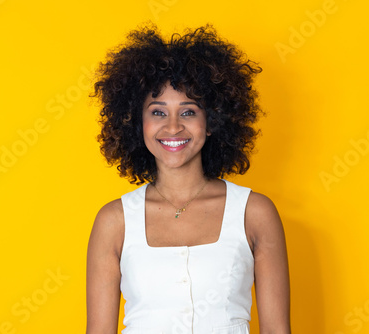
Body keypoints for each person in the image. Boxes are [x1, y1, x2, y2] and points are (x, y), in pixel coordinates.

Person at [86, 24, 291, 334]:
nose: (172, 127)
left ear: (212, 121)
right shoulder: (114, 221)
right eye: (157, 112)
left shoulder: (255, 213)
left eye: (188, 112)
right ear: (135, 122)